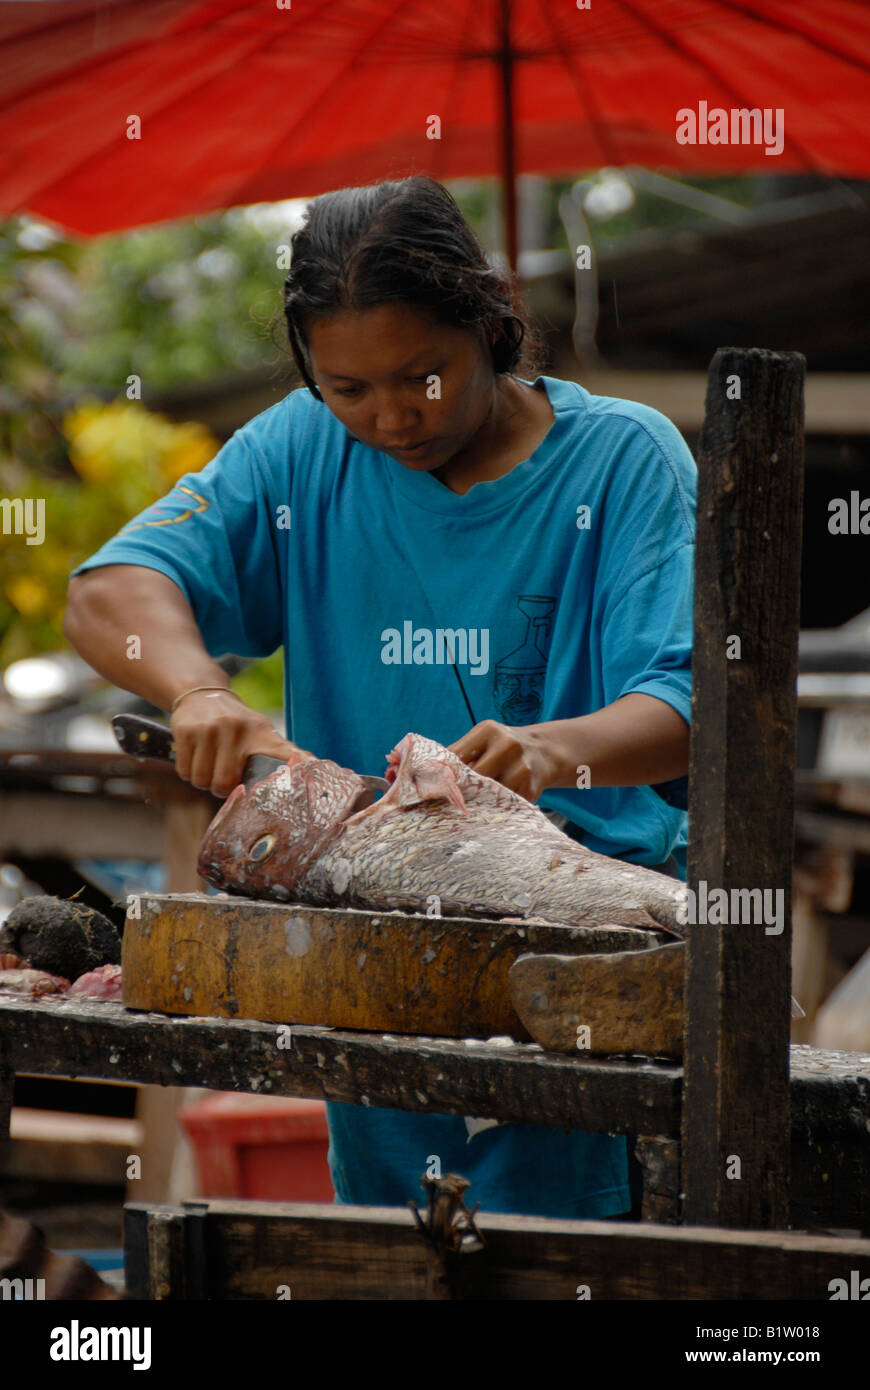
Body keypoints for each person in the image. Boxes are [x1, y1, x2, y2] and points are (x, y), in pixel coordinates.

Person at [64, 175, 696, 1220]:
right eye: (347, 388)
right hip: (373, 964)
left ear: (490, 322)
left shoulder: (625, 462)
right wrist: (197, 691)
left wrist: (547, 751)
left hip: (585, 966)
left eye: (424, 376)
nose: (392, 417)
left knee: (576, 1250)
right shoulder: (301, 448)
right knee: (402, 1243)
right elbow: (107, 594)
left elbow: (684, 703)